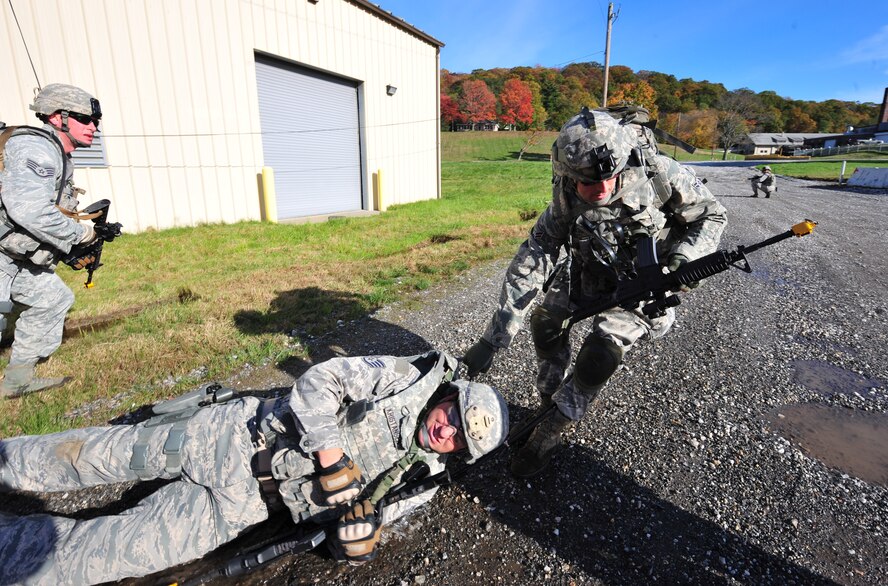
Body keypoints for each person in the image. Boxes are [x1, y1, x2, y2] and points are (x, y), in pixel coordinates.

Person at [0, 350, 509, 584]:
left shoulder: (422, 483)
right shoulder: (401, 377)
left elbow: (354, 536)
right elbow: (319, 382)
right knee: (81, 457)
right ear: (448, 396)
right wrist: (331, 456)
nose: (447, 432)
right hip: (226, 438)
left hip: (237, 508)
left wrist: (357, 542)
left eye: (460, 440)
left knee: (96, 561)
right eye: (453, 417)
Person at [462, 107, 727, 479]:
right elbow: (535, 255)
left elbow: (713, 215)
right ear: (568, 175)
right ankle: (547, 402)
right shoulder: (566, 192)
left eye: (609, 178)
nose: (600, 190)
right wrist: (494, 338)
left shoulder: (659, 173)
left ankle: (549, 432)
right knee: (546, 324)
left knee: (598, 356)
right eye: (587, 182)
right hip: (587, 272)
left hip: (644, 285)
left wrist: (686, 256)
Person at [0, 83, 107, 397]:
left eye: (96, 122)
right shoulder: (37, 149)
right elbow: (29, 210)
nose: (93, 127)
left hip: (14, 257)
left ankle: (16, 382)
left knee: (53, 299)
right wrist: (78, 234)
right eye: (85, 120)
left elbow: (51, 208)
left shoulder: (59, 155)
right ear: (58, 117)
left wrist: (88, 227)